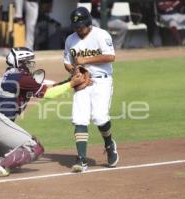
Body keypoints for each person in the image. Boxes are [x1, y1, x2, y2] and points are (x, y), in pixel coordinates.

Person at [0, 47, 90, 177]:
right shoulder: (21, 77)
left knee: (11, 154)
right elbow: (49, 93)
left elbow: (44, 88)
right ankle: (0, 165)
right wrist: (72, 84)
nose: (31, 65)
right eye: (29, 62)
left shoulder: (12, 75)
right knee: (35, 148)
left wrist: (69, 81)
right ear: (21, 63)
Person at [63, 7, 119, 172]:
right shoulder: (70, 40)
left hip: (101, 82)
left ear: (88, 23)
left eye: (81, 26)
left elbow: (111, 56)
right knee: (79, 119)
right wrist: (74, 72)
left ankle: (109, 143)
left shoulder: (101, 35)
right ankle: (81, 160)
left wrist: (86, 60)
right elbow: (67, 62)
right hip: (82, 84)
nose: (78, 29)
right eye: (76, 26)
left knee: (100, 118)